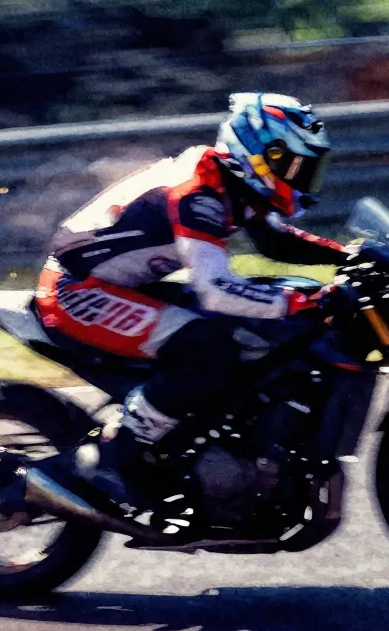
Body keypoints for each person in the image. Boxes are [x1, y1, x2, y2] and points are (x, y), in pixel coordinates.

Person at [34, 92, 357, 507]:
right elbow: (216, 289)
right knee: (204, 347)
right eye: (293, 165)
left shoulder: (231, 183)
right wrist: (308, 302)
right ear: (260, 155)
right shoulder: (198, 193)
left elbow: (275, 241)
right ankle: (118, 451)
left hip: (125, 286)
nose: (301, 177)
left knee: (247, 333)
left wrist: (349, 256)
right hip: (76, 291)